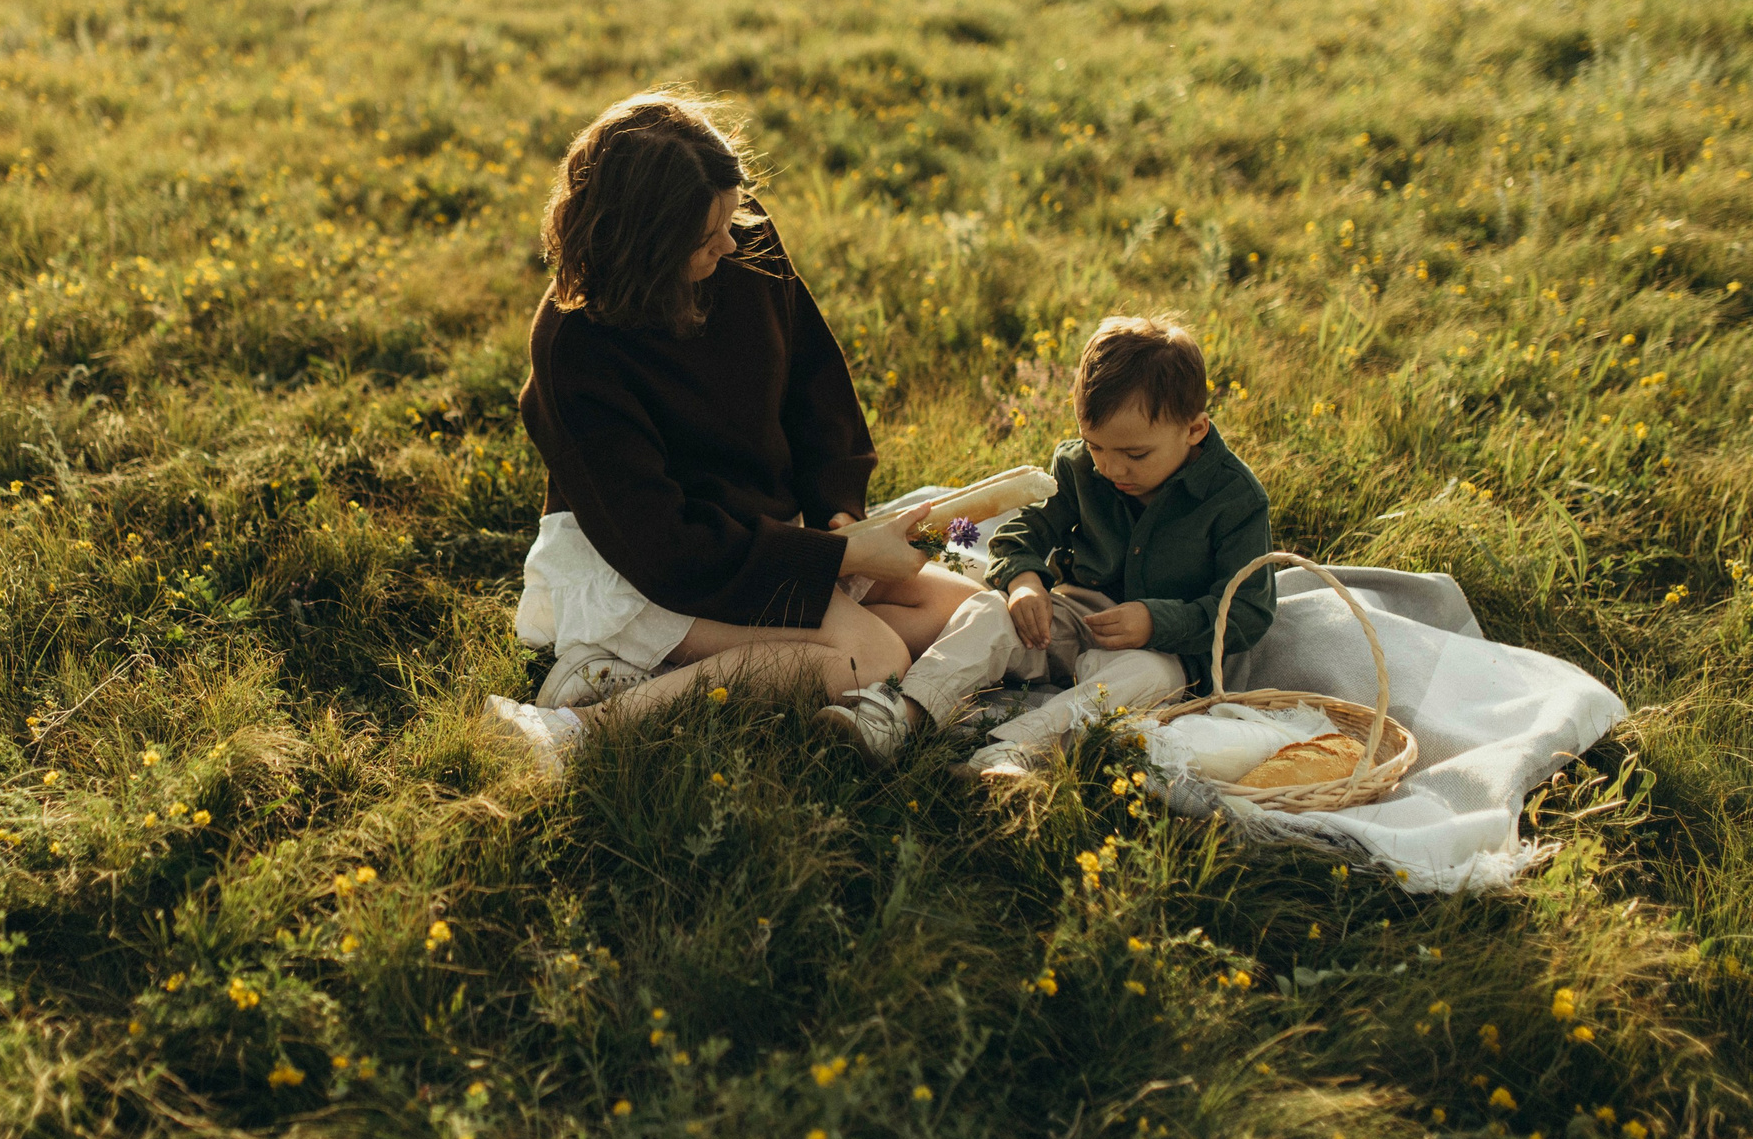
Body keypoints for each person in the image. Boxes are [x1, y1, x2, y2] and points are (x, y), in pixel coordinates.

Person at [487, 89, 978, 772]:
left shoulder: (739, 236)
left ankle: (660, 671)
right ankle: (578, 724)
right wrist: (846, 560)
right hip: (647, 565)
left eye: (732, 216)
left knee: (961, 607)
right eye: (704, 237)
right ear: (642, 248)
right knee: (874, 654)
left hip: (761, 537)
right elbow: (665, 547)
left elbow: (813, 378)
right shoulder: (577, 346)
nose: (730, 241)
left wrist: (839, 516)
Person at [818, 314, 1276, 772]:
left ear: (1194, 430)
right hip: (1072, 617)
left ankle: (1013, 750)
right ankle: (902, 714)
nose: (1112, 469)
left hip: (1163, 649)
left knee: (1149, 678)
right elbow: (1022, 533)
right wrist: (1024, 582)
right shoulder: (1079, 467)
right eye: (1095, 446)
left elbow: (1248, 610)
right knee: (988, 610)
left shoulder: (1235, 499)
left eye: (1135, 455)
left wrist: (1157, 621)